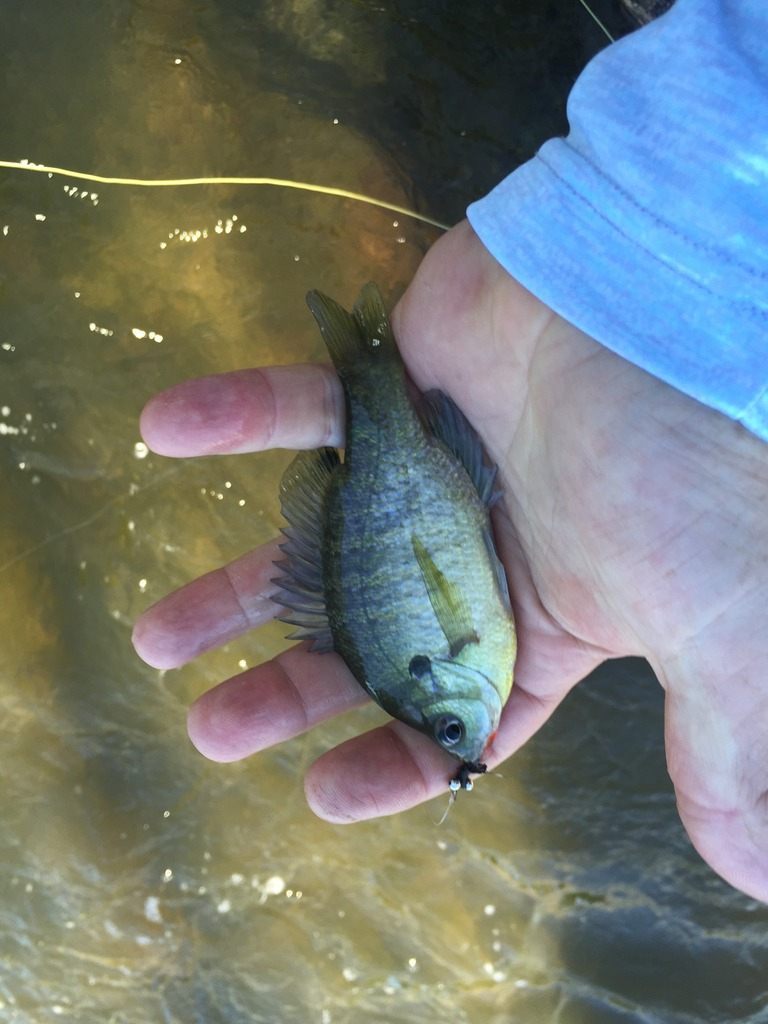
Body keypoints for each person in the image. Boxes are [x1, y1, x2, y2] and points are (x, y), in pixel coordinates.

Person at [132, 0, 768, 902]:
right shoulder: (469, 668)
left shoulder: (463, 656)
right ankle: (370, 357)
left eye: (441, 718)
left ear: (436, 681)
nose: (464, 732)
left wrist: (647, 256)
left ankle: (368, 358)